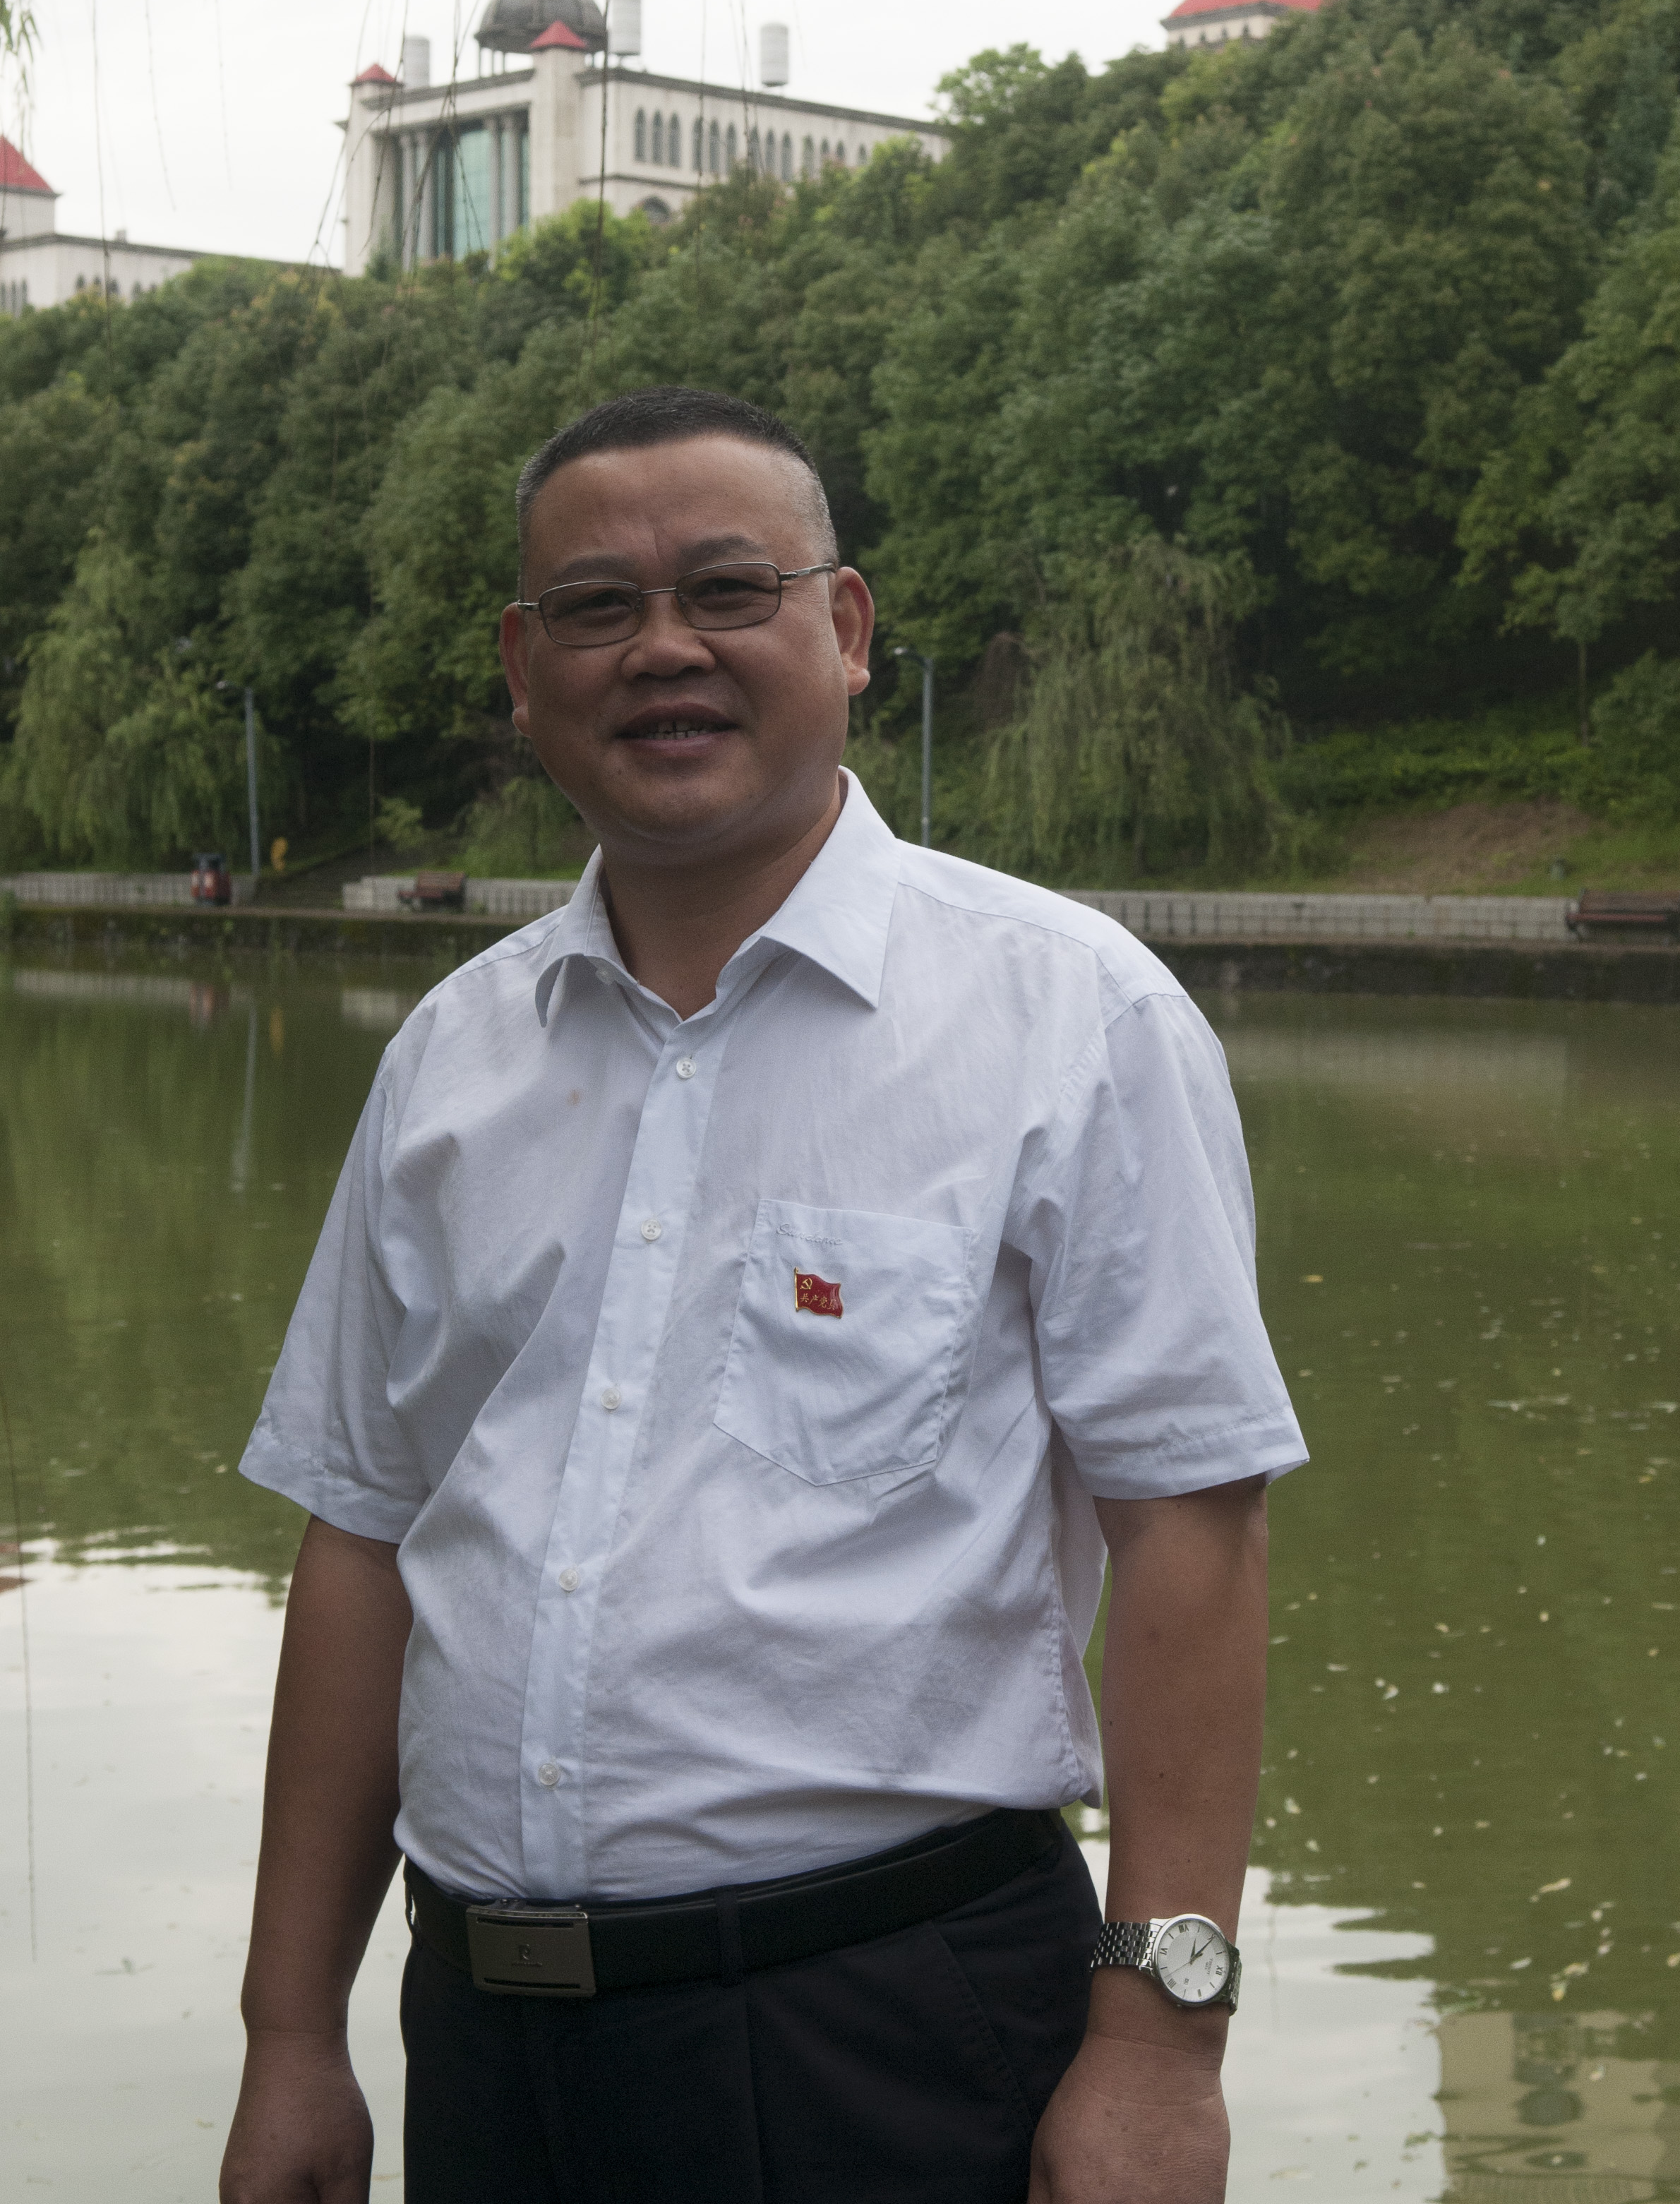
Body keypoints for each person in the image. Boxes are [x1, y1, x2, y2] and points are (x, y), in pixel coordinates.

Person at [221, 384, 1305, 2204]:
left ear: (848, 630)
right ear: (523, 667)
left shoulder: (1071, 1020)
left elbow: (1192, 1528)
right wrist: (288, 2037)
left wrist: (1157, 2053)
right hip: (487, 2043)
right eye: (596, 606)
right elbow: (361, 1539)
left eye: (729, 591)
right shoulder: (449, 1062)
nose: (664, 649)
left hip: (885, 2032)